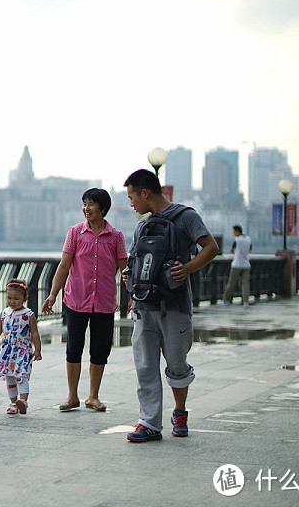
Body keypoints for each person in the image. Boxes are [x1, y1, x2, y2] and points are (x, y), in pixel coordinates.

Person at [122, 169, 219, 442]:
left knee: (177, 365)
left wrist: (187, 269)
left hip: (175, 305)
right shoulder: (143, 224)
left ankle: (179, 411)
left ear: (145, 193)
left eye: (132, 197)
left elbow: (210, 247)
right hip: (144, 306)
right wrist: (128, 278)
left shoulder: (186, 216)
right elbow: (135, 259)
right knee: (145, 366)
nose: (131, 204)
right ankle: (149, 423)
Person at [43, 188, 127, 412]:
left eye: (91, 204)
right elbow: (64, 265)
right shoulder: (75, 232)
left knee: (100, 350)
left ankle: (93, 396)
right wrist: (52, 294)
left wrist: (134, 296)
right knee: (74, 348)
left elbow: (125, 270)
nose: (86, 208)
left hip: (104, 301)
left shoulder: (116, 236)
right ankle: (72, 396)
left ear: (103, 209)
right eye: (84, 204)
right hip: (76, 298)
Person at [0, 279, 43, 415]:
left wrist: (38, 350)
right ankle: (13, 403)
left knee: (22, 376)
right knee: (10, 377)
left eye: (16, 299)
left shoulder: (28, 315)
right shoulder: (4, 313)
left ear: (25, 298)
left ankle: (23, 402)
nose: (12, 301)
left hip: (22, 351)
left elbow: (35, 333)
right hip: (6, 352)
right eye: (9, 298)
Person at [222, 225, 252, 306]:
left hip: (236, 264)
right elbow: (250, 249)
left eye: (233, 231)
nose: (233, 233)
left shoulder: (237, 240)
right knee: (245, 284)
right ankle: (246, 301)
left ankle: (226, 300)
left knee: (232, 283)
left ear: (237, 231)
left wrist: (237, 254)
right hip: (246, 264)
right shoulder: (248, 239)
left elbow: (231, 250)